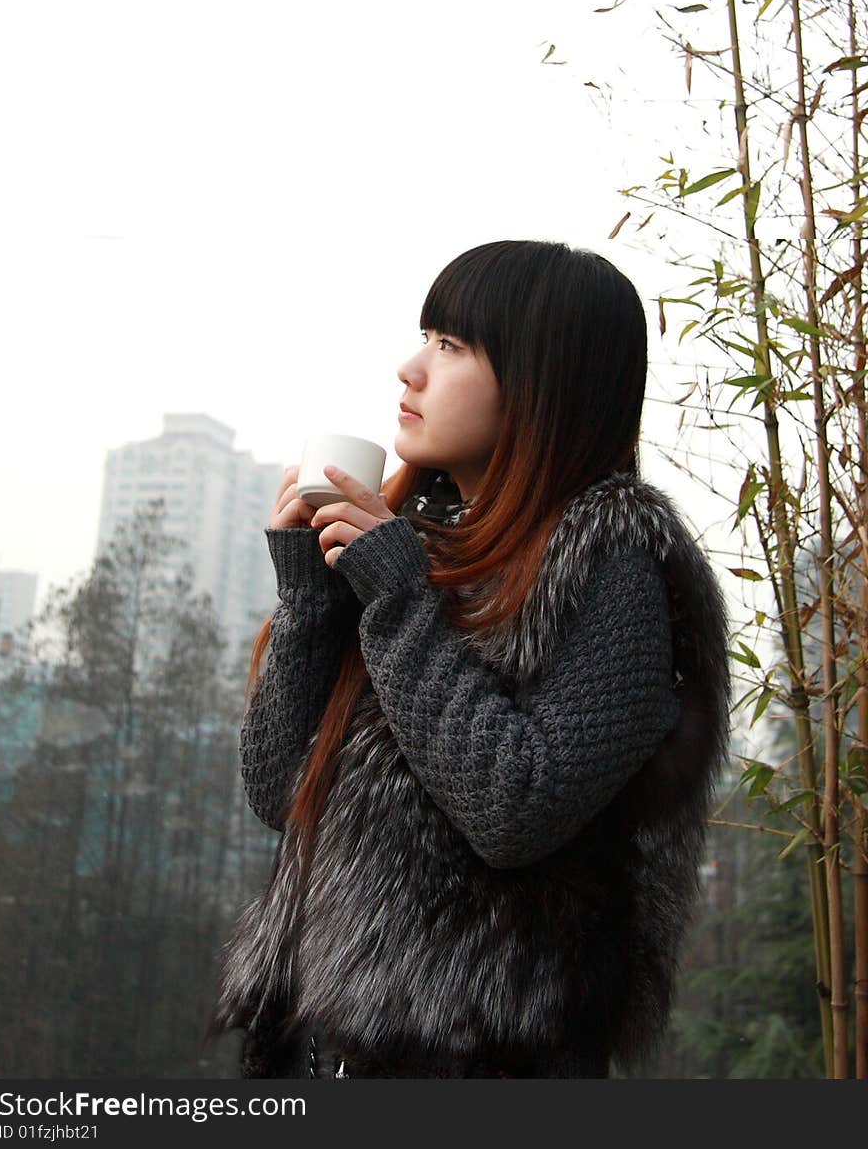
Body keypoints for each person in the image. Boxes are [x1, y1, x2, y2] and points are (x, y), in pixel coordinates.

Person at [204, 239, 731, 1079]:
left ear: (540, 382)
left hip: (479, 1062)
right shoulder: (420, 549)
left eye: (451, 346)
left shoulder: (610, 562)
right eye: (426, 338)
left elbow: (514, 808)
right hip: (321, 1047)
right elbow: (279, 790)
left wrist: (398, 599)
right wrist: (312, 596)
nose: (410, 369)